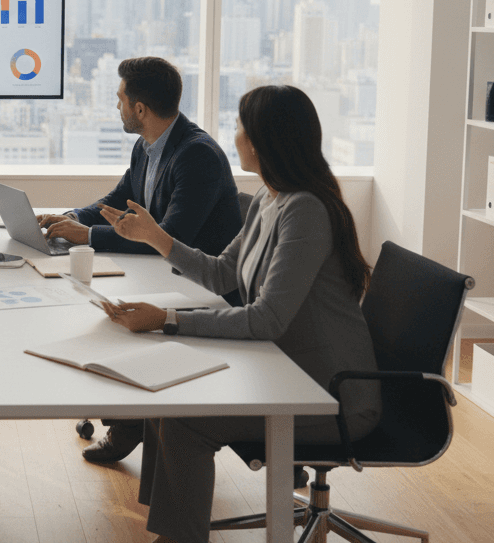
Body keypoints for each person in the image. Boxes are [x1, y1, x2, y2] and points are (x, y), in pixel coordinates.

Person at [93, 84, 381, 543]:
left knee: (185, 420)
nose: (235, 135)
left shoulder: (305, 211)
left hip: (329, 395)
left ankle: (178, 536)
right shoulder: (271, 198)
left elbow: (265, 318)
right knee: (166, 399)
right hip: (284, 370)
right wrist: (154, 236)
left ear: (267, 141)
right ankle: (173, 529)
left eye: (242, 127)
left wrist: (167, 318)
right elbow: (223, 273)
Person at [34, 56, 242, 464]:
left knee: (115, 323)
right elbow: (117, 202)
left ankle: (131, 424)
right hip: (165, 276)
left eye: (120, 100)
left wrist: (89, 236)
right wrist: (73, 218)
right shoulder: (147, 146)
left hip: (204, 286)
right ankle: (131, 422)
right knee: (106, 312)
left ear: (140, 110)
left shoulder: (196, 155)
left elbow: (164, 239)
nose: (117, 108)